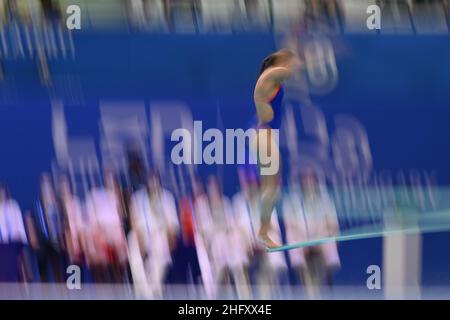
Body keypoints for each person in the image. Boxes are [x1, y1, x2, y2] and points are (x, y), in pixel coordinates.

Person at [252, 49, 302, 248]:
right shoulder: (268, 76)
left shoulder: (273, 80)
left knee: (273, 190)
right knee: (270, 190)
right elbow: (290, 71)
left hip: (267, 137)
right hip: (264, 136)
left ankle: (264, 228)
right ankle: (262, 231)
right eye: (285, 60)